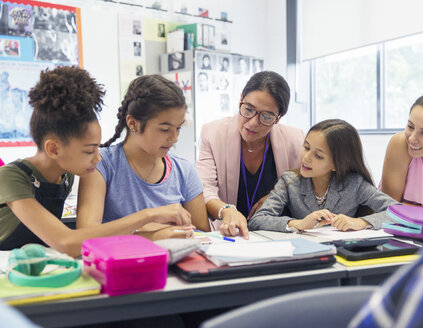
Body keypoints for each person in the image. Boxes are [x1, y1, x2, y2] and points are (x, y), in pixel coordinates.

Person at [0, 67, 191, 257]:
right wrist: (148, 216)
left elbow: (82, 238)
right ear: (54, 149)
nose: (98, 157)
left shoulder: (64, 176)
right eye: (89, 150)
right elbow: (66, 242)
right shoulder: (11, 177)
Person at [77, 74, 209, 237]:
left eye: (178, 128)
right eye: (165, 129)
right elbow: (85, 233)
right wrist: (152, 234)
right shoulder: (100, 164)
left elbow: (203, 234)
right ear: (133, 123)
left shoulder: (184, 170)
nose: (174, 138)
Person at [196, 71, 305, 238]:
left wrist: (276, 195)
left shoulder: (295, 140)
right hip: (229, 234)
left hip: (277, 233)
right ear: (240, 99)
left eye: (267, 116)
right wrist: (226, 210)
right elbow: (204, 189)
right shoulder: (213, 133)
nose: (253, 123)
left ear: (278, 118)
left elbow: (304, 186)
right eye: (248, 109)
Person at [248, 119, 398, 232]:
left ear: (336, 164)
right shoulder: (290, 181)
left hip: (345, 254)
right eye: (306, 147)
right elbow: (257, 220)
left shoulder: (355, 184)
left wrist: (361, 222)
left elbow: (399, 213)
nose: (306, 158)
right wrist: (297, 224)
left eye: (318, 156)